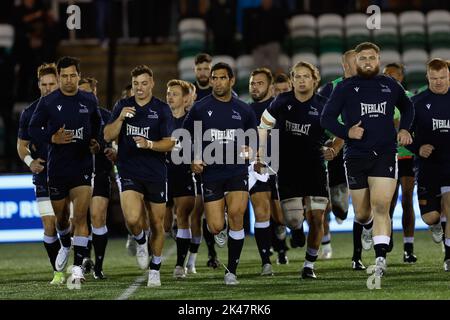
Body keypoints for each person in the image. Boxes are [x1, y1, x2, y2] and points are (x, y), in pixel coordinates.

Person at [321, 42, 414, 279]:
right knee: (362, 214)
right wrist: (346, 132)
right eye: (362, 58)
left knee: (382, 206)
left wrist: (404, 129)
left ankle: (380, 258)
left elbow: (408, 107)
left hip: (385, 153)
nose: (367, 62)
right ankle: (367, 227)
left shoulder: (389, 84)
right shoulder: (343, 88)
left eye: (371, 57)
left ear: (378, 59)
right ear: (356, 62)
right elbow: (326, 118)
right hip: (355, 156)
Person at [259, 61, 337, 279]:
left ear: (315, 79)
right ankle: (296, 230)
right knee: (293, 220)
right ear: (292, 80)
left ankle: (309, 265)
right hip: (287, 169)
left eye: (306, 76)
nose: (302, 80)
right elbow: (263, 124)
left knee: (317, 218)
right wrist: (261, 150)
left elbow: (340, 133)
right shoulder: (281, 101)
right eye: (297, 77)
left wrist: (334, 149)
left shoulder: (324, 105)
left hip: (315, 168)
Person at [28, 56, 102, 283]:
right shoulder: (49, 102)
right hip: (57, 168)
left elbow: (97, 124)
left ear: (79, 76)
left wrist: (96, 142)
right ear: (59, 77)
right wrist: (52, 137)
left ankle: (78, 267)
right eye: (65, 76)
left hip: (82, 166)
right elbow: (33, 128)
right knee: (61, 220)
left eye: (73, 75)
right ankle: (66, 244)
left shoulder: (89, 99)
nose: (69, 80)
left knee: (81, 217)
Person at [183, 62, 257, 285]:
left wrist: (250, 151)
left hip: (236, 170)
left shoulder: (244, 109)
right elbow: (185, 138)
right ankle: (219, 228)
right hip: (212, 172)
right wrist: (192, 160)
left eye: (222, 78)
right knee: (215, 226)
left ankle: (231, 270)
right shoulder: (199, 108)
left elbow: (253, 143)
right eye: (214, 78)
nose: (217, 82)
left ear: (231, 80)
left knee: (236, 216)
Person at [104, 65, 175, 287]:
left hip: (155, 172)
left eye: (144, 83)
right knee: (133, 219)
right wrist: (121, 119)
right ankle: (140, 241)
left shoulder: (161, 109)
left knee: (158, 224)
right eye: (136, 84)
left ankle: (155, 269)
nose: (140, 88)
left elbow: (170, 143)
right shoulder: (122, 105)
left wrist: (149, 144)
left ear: (152, 83)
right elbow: (107, 134)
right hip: (129, 170)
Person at [318, 49, 366, 270]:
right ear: (343, 66)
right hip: (335, 147)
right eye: (347, 65)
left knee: (362, 201)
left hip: (363, 149)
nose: (351, 68)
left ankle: (366, 230)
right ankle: (337, 215)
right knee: (335, 204)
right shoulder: (330, 88)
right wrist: (336, 140)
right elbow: (321, 118)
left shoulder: (375, 85)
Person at [17, 62, 64, 284]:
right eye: (44, 84)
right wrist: (30, 161)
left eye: (51, 84)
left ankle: (79, 264)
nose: (47, 88)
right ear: (38, 85)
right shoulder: (29, 113)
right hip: (43, 176)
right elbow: (21, 145)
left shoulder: (73, 106)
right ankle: (58, 271)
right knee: (49, 225)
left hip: (71, 174)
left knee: (71, 224)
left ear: (59, 82)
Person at [407, 58, 450, 271]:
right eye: (434, 78)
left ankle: (448, 257)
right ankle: (436, 224)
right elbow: (403, 134)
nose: (439, 82)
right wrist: (418, 147)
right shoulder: (417, 102)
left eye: (442, 77)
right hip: (427, 167)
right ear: (427, 77)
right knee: (430, 216)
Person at [248, 67, 287, 275]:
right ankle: (266, 261)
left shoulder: (281, 109)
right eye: (252, 83)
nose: (255, 87)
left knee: (281, 217)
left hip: (281, 167)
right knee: (262, 212)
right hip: (257, 167)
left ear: (270, 87)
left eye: (259, 83)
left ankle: (285, 239)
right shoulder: (245, 110)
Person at [79, 77, 116, 279]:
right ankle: (85, 259)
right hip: (77, 176)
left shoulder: (107, 117)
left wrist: (106, 149)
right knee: (79, 219)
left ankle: (99, 267)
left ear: (94, 93)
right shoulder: (70, 116)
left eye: (87, 92)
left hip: (100, 173)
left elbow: (116, 143)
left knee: (98, 217)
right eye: (81, 93)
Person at [383, 63, 417, 263]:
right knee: (389, 202)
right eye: (386, 75)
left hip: (407, 155)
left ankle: (408, 247)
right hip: (387, 155)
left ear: (401, 79)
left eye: (393, 76)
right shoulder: (379, 97)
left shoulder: (411, 100)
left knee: (406, 200)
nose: (389, 78)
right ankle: (386, 240)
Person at [190, 53, 220, 269]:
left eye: (206, 69)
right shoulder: (189, 93)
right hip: (198, 154)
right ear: (195, 71)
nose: (203, 72)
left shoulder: (223, 91)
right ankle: (211, 253)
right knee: (202, 205)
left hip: (222, 154)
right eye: (199, 69)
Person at [165, 79, 196, 279]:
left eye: (174, 94)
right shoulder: (160, 119)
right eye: (168, 93)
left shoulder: (192, 122)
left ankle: (179, 265)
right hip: (162, 175)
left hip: (184, 174)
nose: (170, 97)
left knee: (184, 217)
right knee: (164, 225)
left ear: (186, 99)